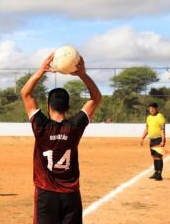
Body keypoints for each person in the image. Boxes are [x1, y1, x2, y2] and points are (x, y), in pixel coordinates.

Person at [21, 53, 102, 224]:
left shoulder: (41, 126)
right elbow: (96, 98)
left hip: (46, 194)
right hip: (70, 195)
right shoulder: (74, 126)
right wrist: (82, 74)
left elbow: (26, 94)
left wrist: (40, 72)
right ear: (68, 106)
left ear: (48, 106)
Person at [140, 103, 166, 181]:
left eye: (153, 108)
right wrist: (142, 138)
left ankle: (159, 174)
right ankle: (155, 172)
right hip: (152, 140)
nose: (152, 110)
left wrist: (163, 140)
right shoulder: (148, 117)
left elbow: (162, 130)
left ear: (156, 109)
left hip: (158, 139)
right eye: (150, 108)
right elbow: (147, 129)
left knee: (159, 157)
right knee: (154, 157)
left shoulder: (160, 117)